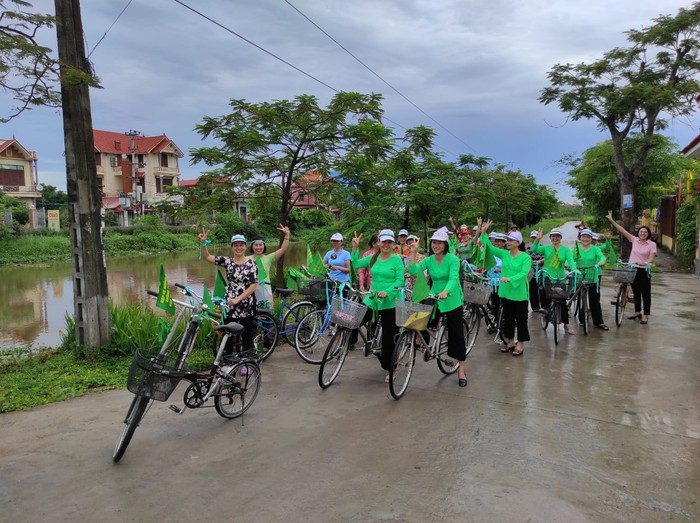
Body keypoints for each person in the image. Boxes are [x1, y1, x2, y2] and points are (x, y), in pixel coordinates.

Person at [407, 226, 467, 387]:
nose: (436, 245)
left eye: (439, 243)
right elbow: (413, 270)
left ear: (445, 244)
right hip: (434, 295)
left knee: (456, 334)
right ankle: (424, 343)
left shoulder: (453, 259)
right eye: (434, 242)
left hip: (452, 298)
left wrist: (446, 291)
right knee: (419, 319)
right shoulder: (429, 260)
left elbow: (454, 278)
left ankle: (461, 368)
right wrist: (413, 252)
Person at [351, 229, 404, 382]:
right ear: (379, 242)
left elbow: (399, 281)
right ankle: (366, 342)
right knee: (355, 320)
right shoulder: (373, 257)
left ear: (393, 243)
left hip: (388, 301)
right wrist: (355, 248)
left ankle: (392, 367)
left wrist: (388, 292)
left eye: (389, 242)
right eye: (383, 242)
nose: (386, 245)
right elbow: (355, 264)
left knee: (389, 337)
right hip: (372, 299)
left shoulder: (396, 260)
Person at [198, 229, 258, 353]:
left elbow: (253, 286)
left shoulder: (252, 264)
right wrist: (203, 244)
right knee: (227, 333)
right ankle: (227, 360)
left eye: (241, 245)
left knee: (246, 334)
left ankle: (247, 361)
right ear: (232, 247)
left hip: (246, 304)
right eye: (236, 245)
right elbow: (208, 257)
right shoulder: (228, 262)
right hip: (230, 304)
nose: (239, 248)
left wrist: (238, 299)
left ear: (245, 247)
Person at [479, 219, 532, 356]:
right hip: (506, 292)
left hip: (519, 293)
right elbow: (489, 247)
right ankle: (510, 341)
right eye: (507, 240)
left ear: (518, 243)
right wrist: (483, 232)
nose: (508, 242)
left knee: (521, 319)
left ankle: (520, 344)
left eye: (511, 240)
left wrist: (509, 279)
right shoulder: (504, 254)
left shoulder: (525, 257)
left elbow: (523, 274)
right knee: (508, 318)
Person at [606, 211, 657, 324]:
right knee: (636, 292)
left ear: (648, 234)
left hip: (644, 270)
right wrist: (611, 220)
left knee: (646, 293)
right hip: (632, 270)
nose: (642, 233)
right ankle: (637, 311)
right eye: (641, 232)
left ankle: (646, 315)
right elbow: (622, 230)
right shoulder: (634, 240)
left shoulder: (652, 244)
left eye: (645, 232)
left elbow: (651, 258)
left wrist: (646, 263)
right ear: (638, 233)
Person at [532, 227, 577, 335]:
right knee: (545, 292)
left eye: (557, 236)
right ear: (550, 237)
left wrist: (574, 270)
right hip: (547, 274)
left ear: (560, 238)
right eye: (553, 236)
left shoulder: (565, 250)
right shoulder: (546, 248)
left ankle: (567, 324)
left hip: (560, 277)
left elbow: (570, 260)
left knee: (562, 301)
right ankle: (544, 307)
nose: (555, 238)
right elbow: (534, 249)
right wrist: (537, 239)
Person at [574, 228, 608, 330]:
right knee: (580, 298)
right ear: (580, 238)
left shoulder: (595, 249)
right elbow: (571, 258)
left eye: (588, 237)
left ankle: (598, 322)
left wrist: (601, 262)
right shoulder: (576, 248)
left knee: (594, 299)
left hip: (592, 276)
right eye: (583, 236)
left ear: (591, 238)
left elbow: (602, 257)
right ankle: (581, 319)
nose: (585, 239)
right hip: (580, 275)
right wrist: (568, 265)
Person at [249, 225, 290, 308]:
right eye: (256, 245)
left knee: (267, 316)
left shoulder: (268, 258)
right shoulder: (246, 259)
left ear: (264, 246)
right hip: (251, 292)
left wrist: (287, 236)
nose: (258, 247)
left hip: (265, 292)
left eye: (260, 245)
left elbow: (283, 249)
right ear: (252, 246)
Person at [528, 230, 545, 313]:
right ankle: (535, 307)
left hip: (541, 272)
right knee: (533, 290)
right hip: (532, 272)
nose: (534, 239)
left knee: (542, 289)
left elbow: (547, 257)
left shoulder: (542, 248)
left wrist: (542, 261)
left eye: (536, 237)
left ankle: (543, 306)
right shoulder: (528, 249)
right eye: (533, 237)